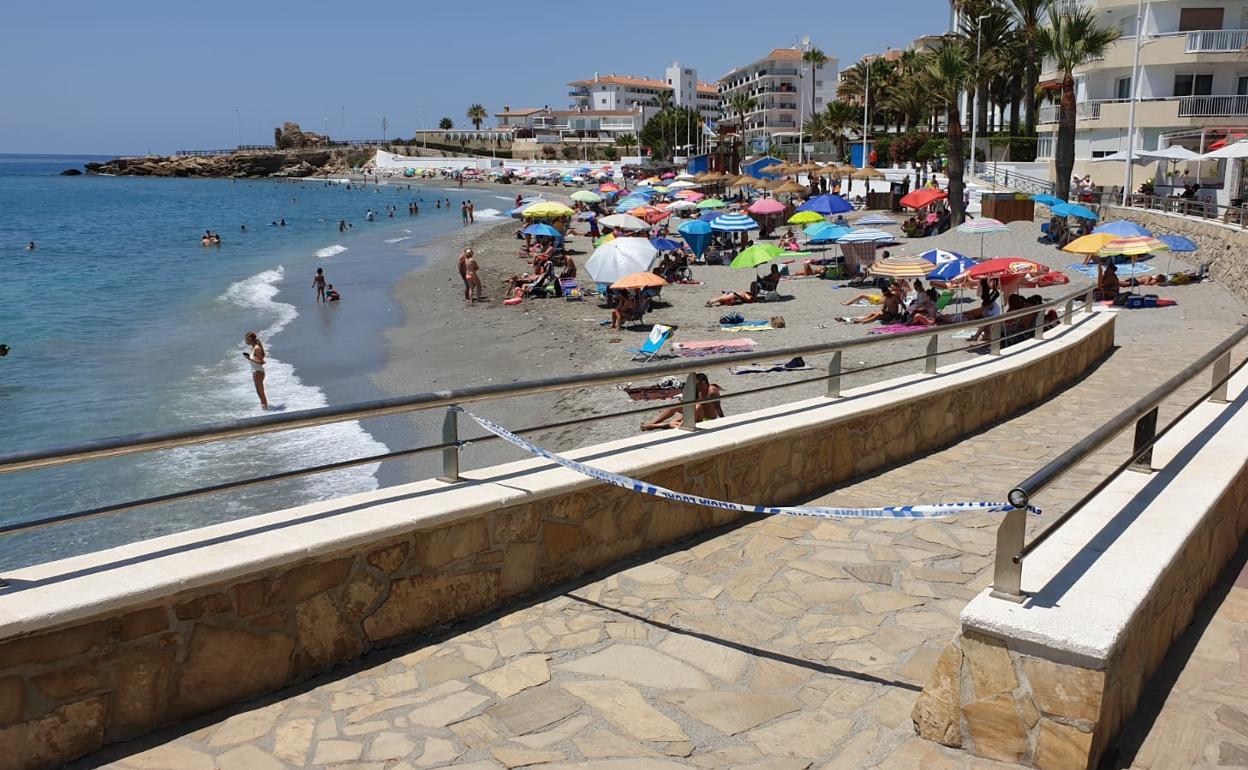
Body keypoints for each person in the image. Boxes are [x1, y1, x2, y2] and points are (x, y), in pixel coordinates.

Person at [640, 374, 725, 430]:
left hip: (707, 418)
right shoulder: (700, 388)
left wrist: (724, 422)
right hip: (698, 412)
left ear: (703, 383)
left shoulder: (712, 392)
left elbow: (718, 408)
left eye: (697, 383)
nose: (695, 385)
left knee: (678, 422)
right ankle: (654, 423)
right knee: (675, 406)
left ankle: (653, 426)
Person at [242, 332, 268, 410]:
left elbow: (262, 362)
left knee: (260, 393)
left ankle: (266, 410)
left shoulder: (256, 348)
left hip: (258, 372)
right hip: (256, 371)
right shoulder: (254, 348)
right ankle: (265, 409)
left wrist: (249, 359)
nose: (245, 341)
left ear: (250, 338)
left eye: (246, 339)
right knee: (259, 393)